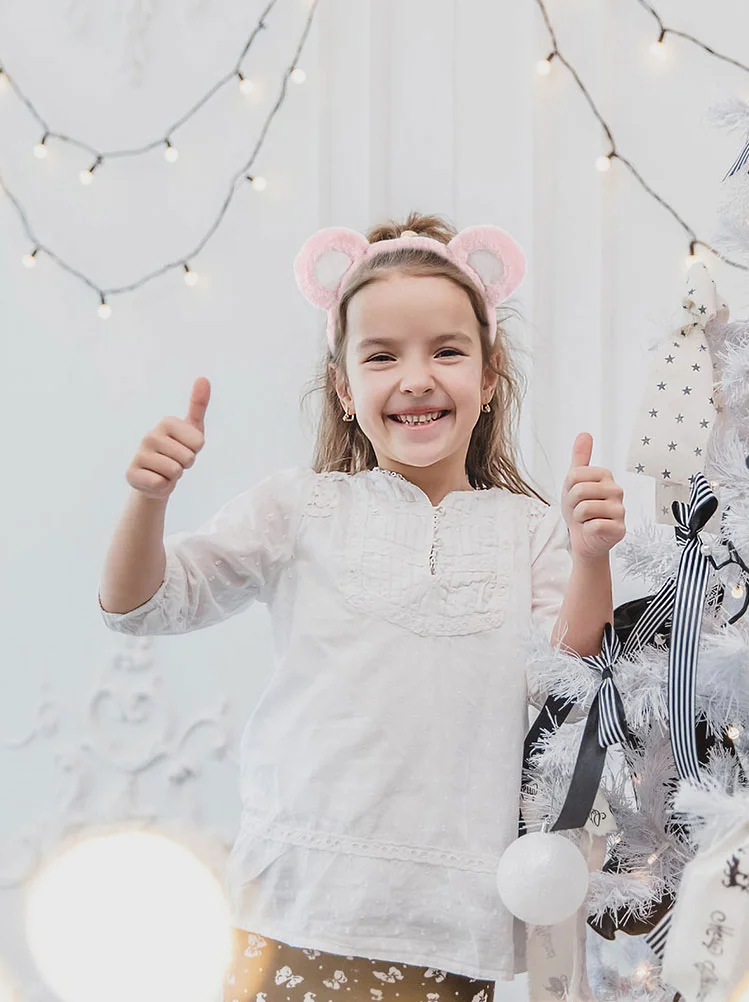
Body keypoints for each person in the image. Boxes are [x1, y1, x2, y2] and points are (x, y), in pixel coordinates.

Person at [98, 213, 626, 1000]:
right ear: (345, 388)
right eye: (382, 357)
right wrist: (147, 502)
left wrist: (591, 557)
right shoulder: (297, 508)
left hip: (455, 916)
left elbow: (573, 683)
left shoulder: (529, 529)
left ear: (488, 377)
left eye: (447, 351)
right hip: (298, 903)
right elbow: (141, 606)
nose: (416, 378)